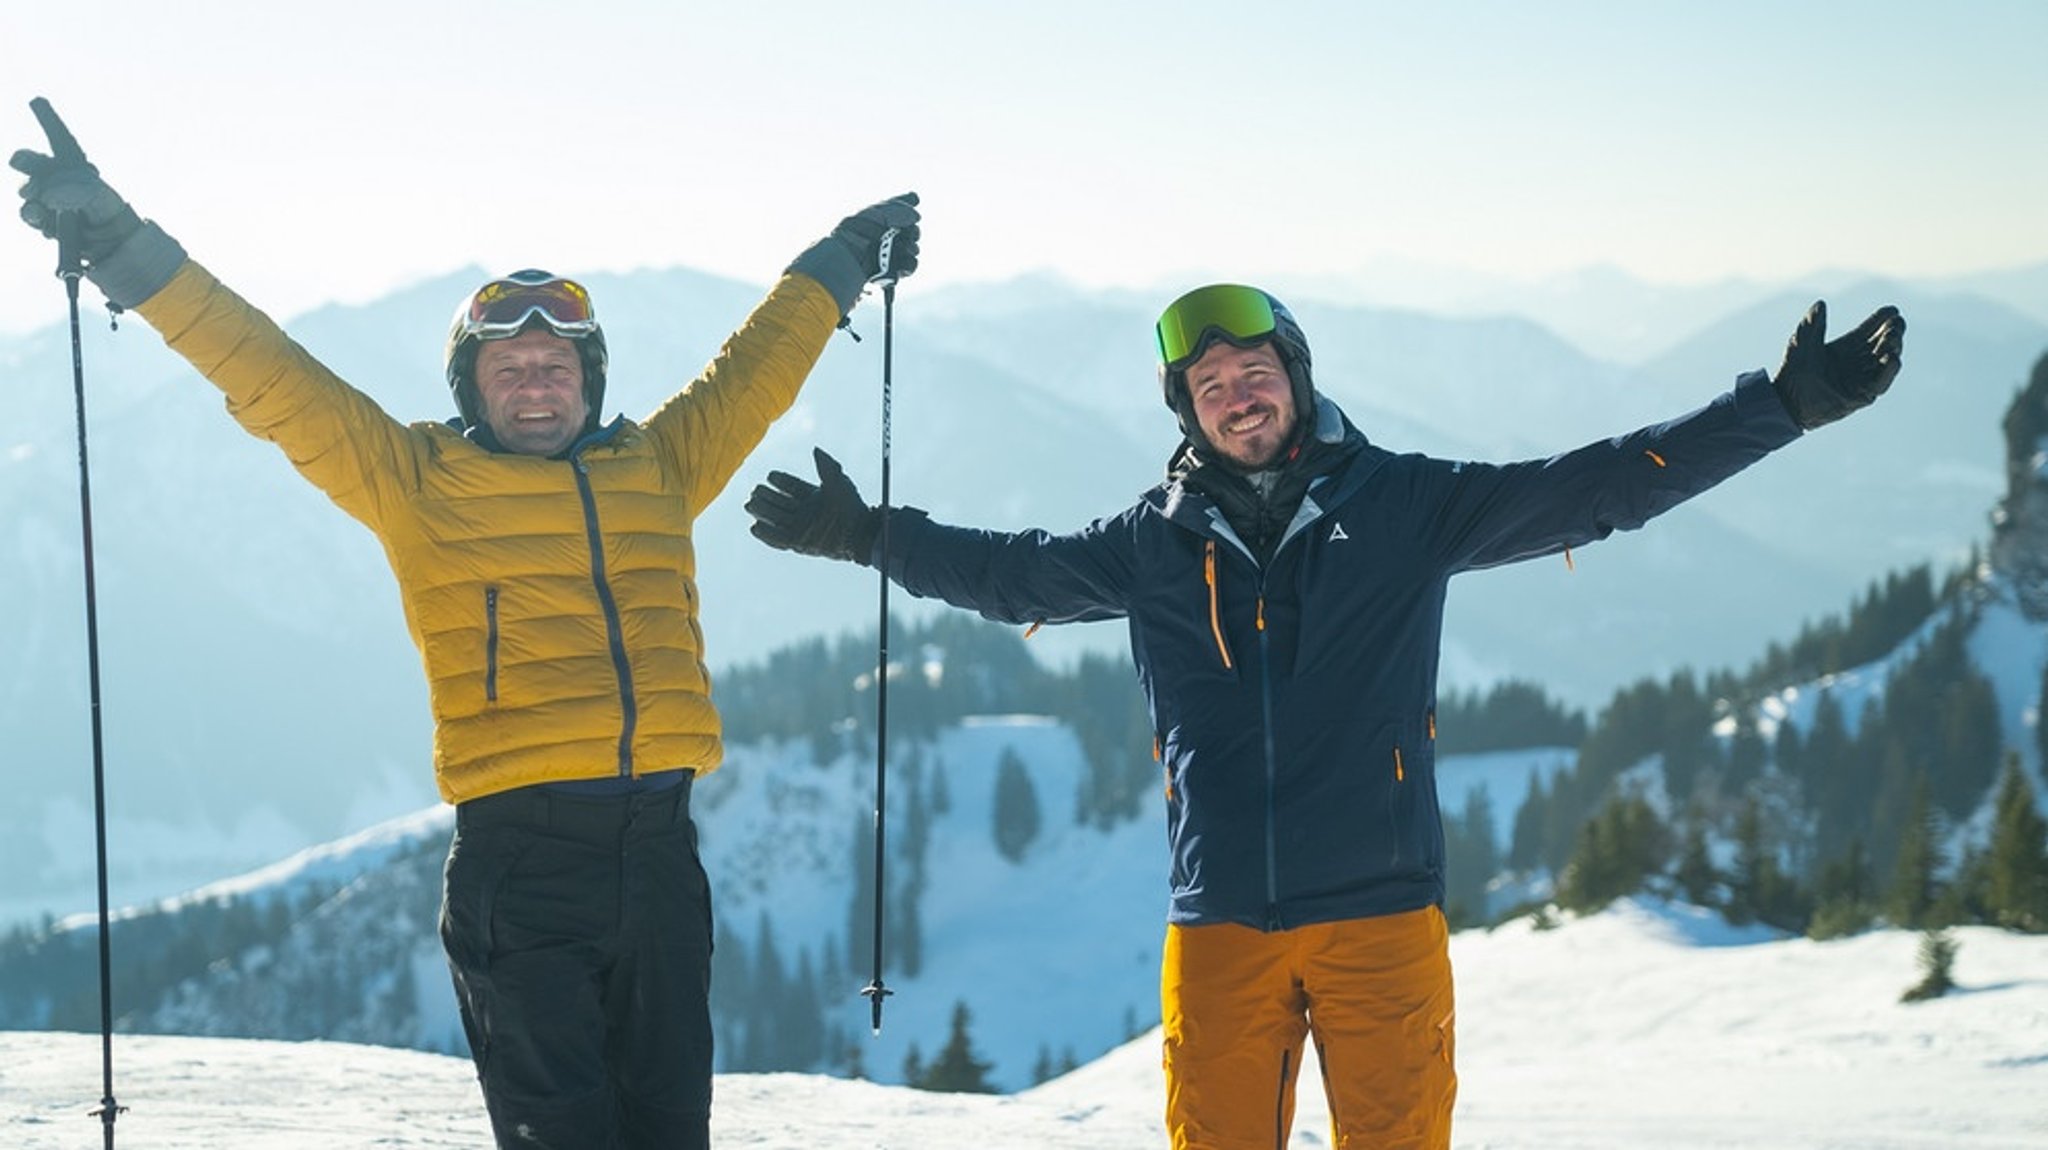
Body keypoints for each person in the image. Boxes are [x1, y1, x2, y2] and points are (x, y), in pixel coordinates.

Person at [745, 281, 1904, 1147]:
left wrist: (1781, 408)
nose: (1235, 397)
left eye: (1252, 372)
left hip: (1380, 917)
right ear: (1187, 416)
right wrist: (865, 535)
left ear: (1293, 375)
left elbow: (1600, 486)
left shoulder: (1406, 505)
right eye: (1208, 388)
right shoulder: (1153, 544)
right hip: (1218, 926)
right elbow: (1009, 574)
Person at [11, 98, 918, 1150]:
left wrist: (845, 254)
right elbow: (263, 370)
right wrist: (122, 243)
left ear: (588, 381)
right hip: (520, 865)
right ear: (472, 388)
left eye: (556, 368)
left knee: (671, 1135)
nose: (536, 387)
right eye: (509, 371)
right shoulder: (417, 481)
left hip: (663, 856)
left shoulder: (659, 465)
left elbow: (755, 369)